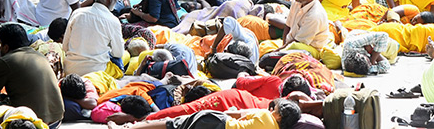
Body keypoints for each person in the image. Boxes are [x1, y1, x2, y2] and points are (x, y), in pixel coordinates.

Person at [0, 23, 64, 127]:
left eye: (0, 45)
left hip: (31, 123)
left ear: (5, 47)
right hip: (57, 120)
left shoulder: (6, 61)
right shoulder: (39, 55)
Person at [112, 96, 303, 129]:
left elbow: (235, 114)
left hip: (217, 123)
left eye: (274, 108)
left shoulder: (264, 115)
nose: (271, 109)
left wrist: (231, 110)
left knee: (173, 124)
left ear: (278, 115)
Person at [62, 0, 125, 76]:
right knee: (123, 56)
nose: (116, 0)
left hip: (70, 69)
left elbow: (65, 47)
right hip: (97, 72)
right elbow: (118, 53)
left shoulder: (77, 13)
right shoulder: (113, 20)